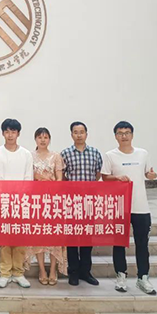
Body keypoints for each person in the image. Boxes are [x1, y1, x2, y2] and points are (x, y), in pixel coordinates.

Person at [101, 121, 157, 296]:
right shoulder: (110, 155)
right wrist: (117, 178)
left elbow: (149, 173)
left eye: (127, 133)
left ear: (132, 135)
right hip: (120, 206)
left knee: (142, 244)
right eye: (120, 133)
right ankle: (121, 276)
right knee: (119, 243)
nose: (124, 136)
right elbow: (105, 177)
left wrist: (151, 175)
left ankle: (143, 278)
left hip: (141, 206)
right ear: (115, 136)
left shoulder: (143, 153)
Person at [0, 118, 33, 289]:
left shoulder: (26, 154)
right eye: (7, 131)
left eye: (13, 132)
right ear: (3, 133)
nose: (10, 135)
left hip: (21, 202)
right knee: (5, 240)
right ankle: (5, 273)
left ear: (18, 134)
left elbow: (28, 179)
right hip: (3, 202)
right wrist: (4, 199)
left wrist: (19, 198)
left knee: (19, 238)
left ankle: (18, 272)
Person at [61, 121, 103, 287]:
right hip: (72, 202)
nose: (79, 135)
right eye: (75, 132)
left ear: (86, 134)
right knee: (71, 238)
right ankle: (73, 272)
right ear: (71, 134)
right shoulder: (65, 154)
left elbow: (98, 174)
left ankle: (86, 271)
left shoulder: (95, 153)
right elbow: (62, 176)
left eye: (81, 132)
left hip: (89, 201)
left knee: (87, 237)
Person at [24, 127, 68, 286]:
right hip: (35, 202)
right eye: (40, 137)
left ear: (49, 139)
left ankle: (53, 269)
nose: (42, 140)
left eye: (45, 137)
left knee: (54, 236)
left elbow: (59, 179)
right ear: (35, 139)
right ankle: (42, 270)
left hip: (53, 201)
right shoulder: (29, 156)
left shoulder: (56, 156)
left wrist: (48, 184)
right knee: (38, 236)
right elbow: (27, 178)